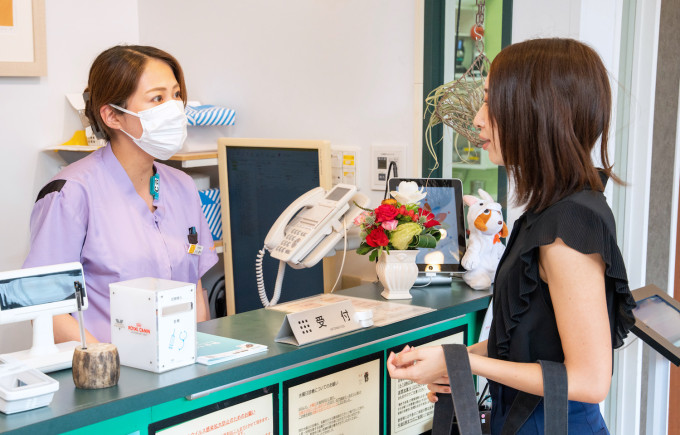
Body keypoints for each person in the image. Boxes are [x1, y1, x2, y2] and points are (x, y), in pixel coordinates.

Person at [387, 38, 636, 434]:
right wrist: (449, 360)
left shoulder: (568, 226)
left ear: (536, 110)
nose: (478, 119)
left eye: (490, 101)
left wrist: (462, 363)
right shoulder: (550, 211)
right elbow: (527, 344)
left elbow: (590, 381)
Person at [23, 46, 218, 344]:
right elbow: (44, 308)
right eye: (158, 98)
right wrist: (104, 364)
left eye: (176, 95)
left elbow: (194, 287)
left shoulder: (182, 186)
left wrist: (201, 354)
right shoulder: (71, 194)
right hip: (108, 378)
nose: (175, 108)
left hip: (180, 366)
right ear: (113, 116)